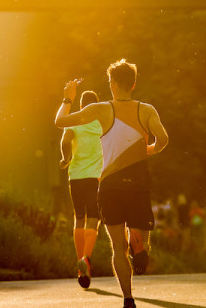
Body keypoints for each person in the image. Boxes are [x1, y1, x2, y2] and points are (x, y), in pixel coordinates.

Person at [55, 59, 169, 308]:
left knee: (117, 247)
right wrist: (149, 150)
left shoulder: (100, 109)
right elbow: (163, 138)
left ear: (112, 84)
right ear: (134, 84)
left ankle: (128, 298)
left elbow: (60, 122)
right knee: (141, 236)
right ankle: (139, 244)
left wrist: (67, 98)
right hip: (138, 183)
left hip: (109, 185)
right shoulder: (147, 110)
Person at [59, 90, 103, 289]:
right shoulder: (102, 124)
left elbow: (66, 140)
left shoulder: (74, 122)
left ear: (81, 107)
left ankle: (80, 265)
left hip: (75, 176)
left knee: (79, 217)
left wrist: (66, 157)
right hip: (95, 177)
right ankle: (86, 258)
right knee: (94, 216)